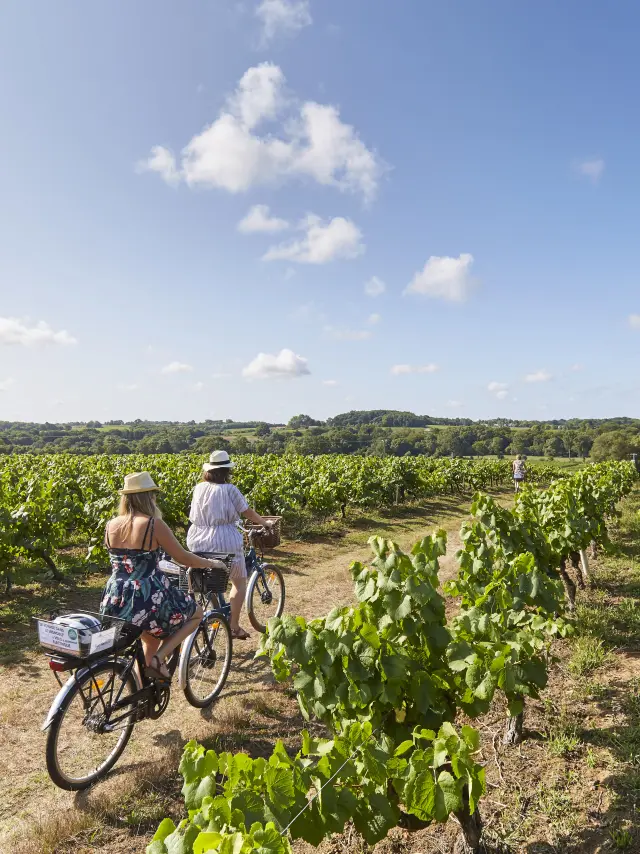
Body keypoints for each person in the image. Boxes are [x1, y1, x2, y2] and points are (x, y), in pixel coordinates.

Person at [100, 471, 220, 682]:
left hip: (116, 597)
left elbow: (126, 562)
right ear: (148, 497)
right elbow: (184, 558)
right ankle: (159, 659)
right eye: (153, 495)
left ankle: (138, 689)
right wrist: (210, 563)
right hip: (147, 597)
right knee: (196, 614)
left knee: (150, 639)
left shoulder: (111, 525)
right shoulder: (153, 525)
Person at [187, 451, 274, 640]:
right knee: (238, 581)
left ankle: (216, 610)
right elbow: (247, 512)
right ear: (226, 471)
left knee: (207, 578)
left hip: (196, 537)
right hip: (223, 538)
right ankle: (234, 626)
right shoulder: (229, 489)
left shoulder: (198, 488)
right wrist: (264, 523)